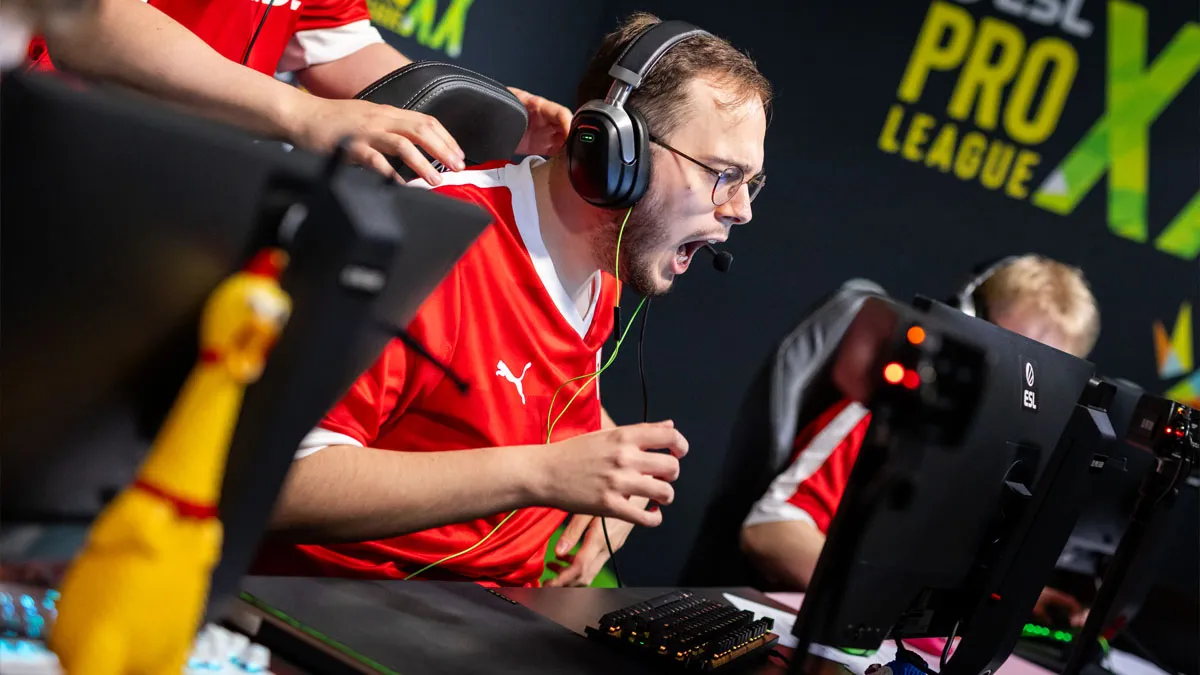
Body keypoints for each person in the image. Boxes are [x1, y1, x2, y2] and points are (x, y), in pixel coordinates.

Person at [251, 12, 772, 588]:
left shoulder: (603, 266)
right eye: (723, 174)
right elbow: (273, 480)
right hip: (347, 612)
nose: (741, 210)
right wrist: (541, 474)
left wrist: (604, 476)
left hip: (511, 605)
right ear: (620, 155)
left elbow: (512, 390)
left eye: (751, 183)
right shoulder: (435, 246)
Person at [739, 255, 1102, 626]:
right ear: (968, 322)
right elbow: (770, 531)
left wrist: (1014, 600)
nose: (1026, 393)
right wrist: (880, 603)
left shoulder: (1008, 460)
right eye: (1017, 362)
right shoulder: (882, 411)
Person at [26, 0, 572, 185]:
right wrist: (301, 112)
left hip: (172, 185)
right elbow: (87, 24)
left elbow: (336, 46)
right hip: (45, 152)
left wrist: (472, 105)